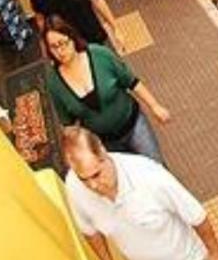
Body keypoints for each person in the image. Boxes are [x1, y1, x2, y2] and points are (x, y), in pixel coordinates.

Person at [61, 126, 218, 260]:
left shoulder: (150, 176)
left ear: (103, 153)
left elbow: (197, 216)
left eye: (96, 175)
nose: (93, 186)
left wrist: (216, 254)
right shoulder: (74, 185)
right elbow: (90, 232)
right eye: (84, 179)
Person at [42, 17, 168, 163]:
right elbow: (68, 125)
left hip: (134, 126)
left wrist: (155, 106)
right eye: (53, 47)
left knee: (156, 166)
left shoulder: (100, 55)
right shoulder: (54, 82)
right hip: (106, 143)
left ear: (72, 38)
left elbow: (131, 81)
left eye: (62, 43)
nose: (60, 51)